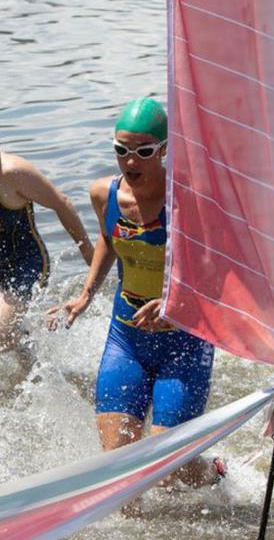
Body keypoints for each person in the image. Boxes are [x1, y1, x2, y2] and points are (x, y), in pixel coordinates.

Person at [49, 99, 220, 488]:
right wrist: (87, 292)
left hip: (184, 341)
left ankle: (213, 474)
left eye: (143, 151)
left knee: (169, 467)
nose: (130, 161)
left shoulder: (187, 200)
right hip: (126, 336)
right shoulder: (103, 194)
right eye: (121, 150)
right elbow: (109, 240)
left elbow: (216, 273)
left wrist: (175, 301)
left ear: (163, 151)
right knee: (119, 468)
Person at [0, 95, 95, 348]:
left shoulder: (10, 172)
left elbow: (62, 203)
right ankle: (33, 356)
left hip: (27, 264)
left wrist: (89, 256)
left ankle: (24, 341)